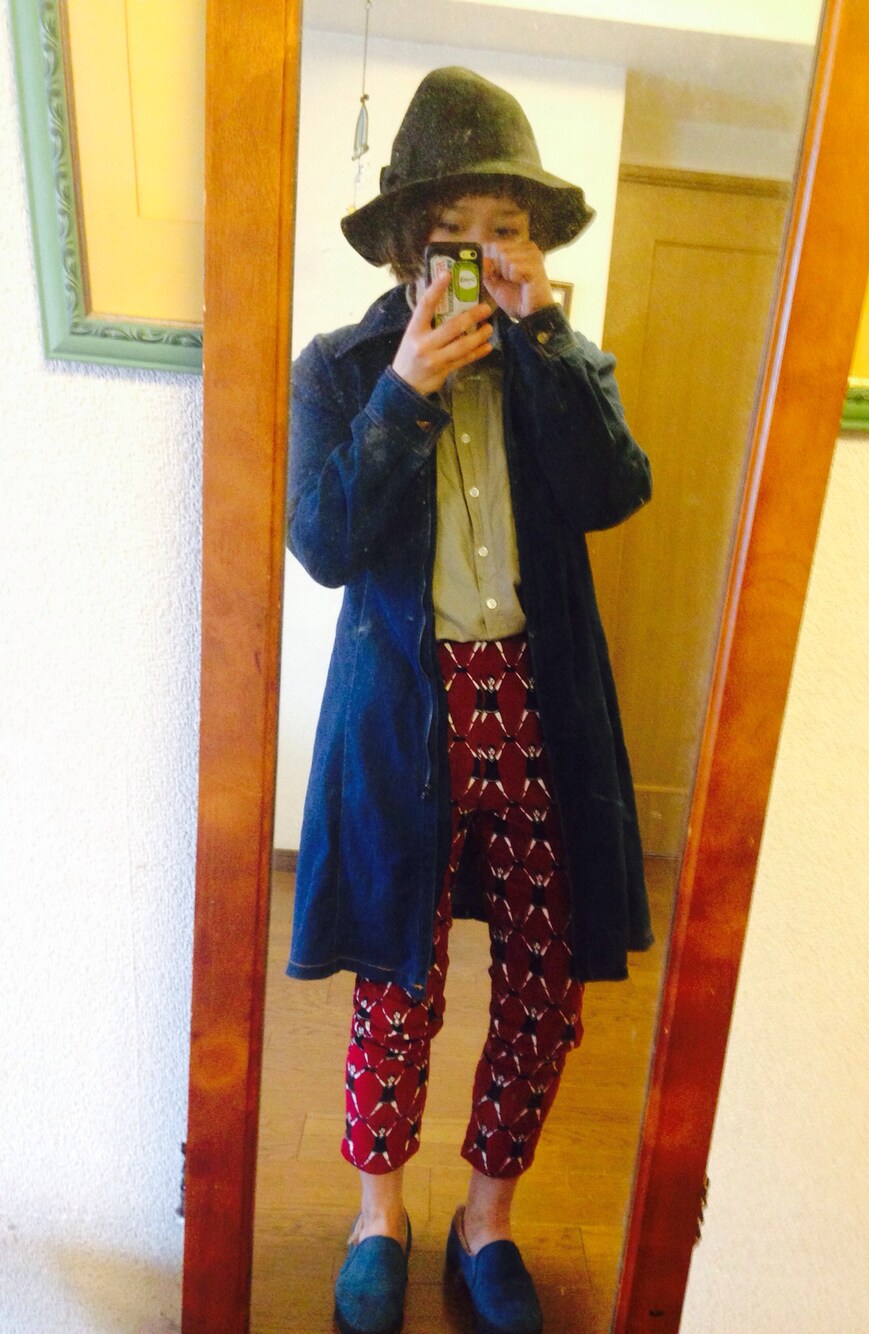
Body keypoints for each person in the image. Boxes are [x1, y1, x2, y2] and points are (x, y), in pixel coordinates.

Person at [286, 66, 653, 1334]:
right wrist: (403, 394)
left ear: (535, 246)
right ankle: (378, 1215)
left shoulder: (561, 361)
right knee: (400, 979)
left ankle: (486, 1217)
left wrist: (546, 341)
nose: (482, 257)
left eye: (507, 231)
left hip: (544, 710)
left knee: (545, 987)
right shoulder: (342, 369)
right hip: (407, 714)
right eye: (455, 234)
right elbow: (324, 542)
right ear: (407, 248)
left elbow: (614, 491)